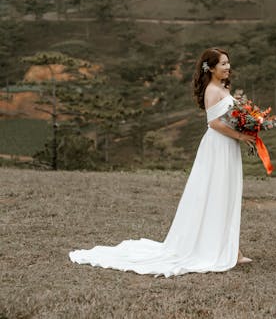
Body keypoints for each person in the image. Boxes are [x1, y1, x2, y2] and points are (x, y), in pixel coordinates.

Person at [69, 47, 256, 277]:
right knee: (216, 196)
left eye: (228, 63)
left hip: (228, 147)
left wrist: (248, 121)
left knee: (226, 196)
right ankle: (226, 250)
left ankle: (231, 249)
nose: (228, 67)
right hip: (218, 146)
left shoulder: (223, 88)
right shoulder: (211, 91)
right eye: (223, 64)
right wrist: (241, 135)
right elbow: (214, 123)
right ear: (212, 67)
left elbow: (230, 115)